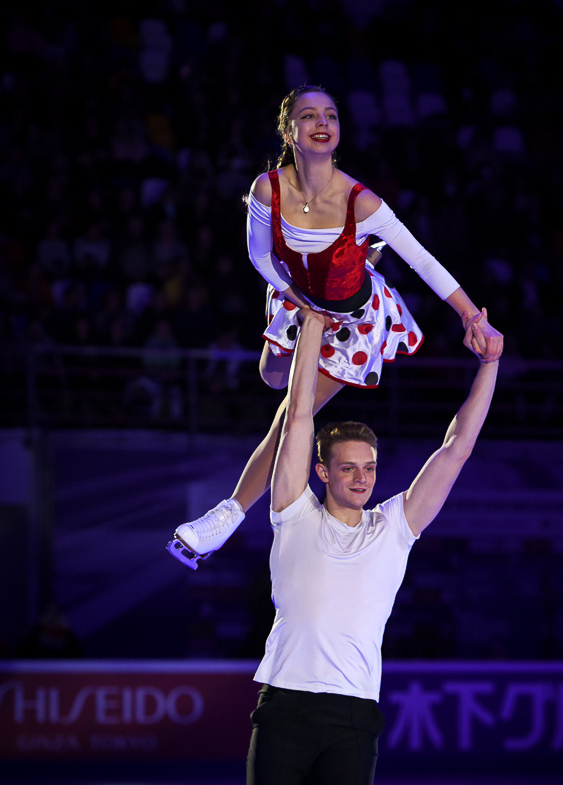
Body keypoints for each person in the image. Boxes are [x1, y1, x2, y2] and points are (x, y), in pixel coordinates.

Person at [167, 85, 503, 569]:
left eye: (330, 114)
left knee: (291, 417)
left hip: (351, 321)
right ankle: (342, 277)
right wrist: (297, 300)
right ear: (290, 130)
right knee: (271, 376)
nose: (321, 122)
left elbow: (425, 262)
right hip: (297, 298)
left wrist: (472, 316)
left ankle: (227, 514)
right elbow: (260, 257)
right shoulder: (268, 189)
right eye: (308, 115)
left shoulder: (361, 202)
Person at [231, 306, 500, 785]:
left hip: (353, 719)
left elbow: (455, 449)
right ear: (322, 472)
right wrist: (314, 332)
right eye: (348, 468)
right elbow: (299, 415)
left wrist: (490, 363)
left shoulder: (394, 527)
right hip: (283, 712)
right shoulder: (291, 512)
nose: (361, 478)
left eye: (370, 468)